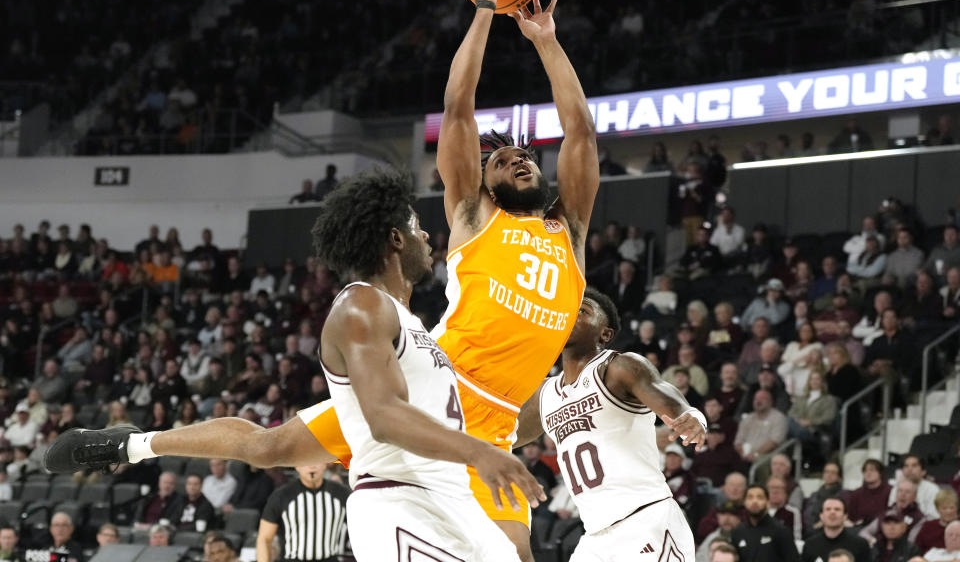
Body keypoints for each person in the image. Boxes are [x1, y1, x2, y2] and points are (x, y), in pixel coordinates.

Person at [46, 171, 540, 561]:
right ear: (394, 239)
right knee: (268, 446)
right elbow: (385, 417)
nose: (428, 233)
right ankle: (128, 444)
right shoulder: (361, 307)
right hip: (400, 500)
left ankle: (127, 442)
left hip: (454, 501)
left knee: (270, 446)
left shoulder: (409, 319)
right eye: (416, 225)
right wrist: (479, 451)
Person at [515, 287, 705, 561]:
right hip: (595, 537)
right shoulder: (545, 394)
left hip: (646, 520)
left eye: (582, 311)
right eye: (566, 308)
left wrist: (692, 416)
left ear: (605, 334)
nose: (569, 314)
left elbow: (669, 397)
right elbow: (500, 436)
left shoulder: (619, 367)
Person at [257, 464, 349, 562]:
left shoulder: (342, 494)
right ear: (297, 466)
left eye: (316, 460)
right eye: (306, 462)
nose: (312, 466)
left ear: (324, 464)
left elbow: (362, 531)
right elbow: (264, 539)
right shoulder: (281, 496)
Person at [731, 485, 799, 562]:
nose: (754, 501)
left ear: (767, 501)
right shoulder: (738, 532)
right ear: (744, 502)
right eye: (750, 497)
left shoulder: (781, 531)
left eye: (760, 497)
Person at [801, 497, 871, 562]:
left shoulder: (860, 545)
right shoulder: (810, 545)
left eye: (837, 509)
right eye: (828, 509)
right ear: (821, 516)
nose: (832, 512)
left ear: (845, 516)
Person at [888, 455, 941, 519]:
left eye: (914, 466)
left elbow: (934, 516)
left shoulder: (932, 489)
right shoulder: (896, 488)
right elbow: (891, 512)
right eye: (906, 466)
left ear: (923, 472)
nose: (909, 469)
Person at [848, 459, 894, 526]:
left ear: (880, 473)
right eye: (865, 471)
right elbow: (852, 517)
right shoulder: (856, 494)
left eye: (872, 470)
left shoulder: (891, 491)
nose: (868, 473)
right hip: (860, 529)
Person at [916, 489, 960, 554]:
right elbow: (917, 549)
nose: (948, 511)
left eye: (952, 508)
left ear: (957, 508)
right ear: (937, 509)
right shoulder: (927, 527)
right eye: (944, 508)